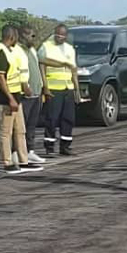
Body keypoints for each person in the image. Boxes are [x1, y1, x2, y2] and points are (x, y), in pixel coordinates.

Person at [0, 25, 43, 175]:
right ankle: (7, 163)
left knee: (21, 130)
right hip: (6, 98)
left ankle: (23, 161)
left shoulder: (10, 51)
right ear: (11, 37)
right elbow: (1, 78)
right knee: (6, 132)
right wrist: (10, 99)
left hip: (16, 95)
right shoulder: (0, 53)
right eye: (16, 37)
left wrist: (23, 87)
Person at [38, 24, 80, 156]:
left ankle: (65, 146)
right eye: (57, 34)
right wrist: (45, 87)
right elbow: (42, 66)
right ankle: (49, 147)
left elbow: (73, 70)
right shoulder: (46, 46)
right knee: (52, 118)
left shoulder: (69, 49)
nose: (59, 37)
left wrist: (77, 90)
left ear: (66, 36)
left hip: (68, 88)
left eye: (62, 35)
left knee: (68, 118)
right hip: (53, 88)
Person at [17, 25, 47, 165]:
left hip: (36, 92)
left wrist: (42, 87)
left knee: (32, 125)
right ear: (22, 36)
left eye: (34, 35)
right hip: (26, 94)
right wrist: (25, 86)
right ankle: (17, 153)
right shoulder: (19, 51)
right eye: (30, 35)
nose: (33, 38)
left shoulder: (32, 50)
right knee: (21, 126)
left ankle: (30, 151)